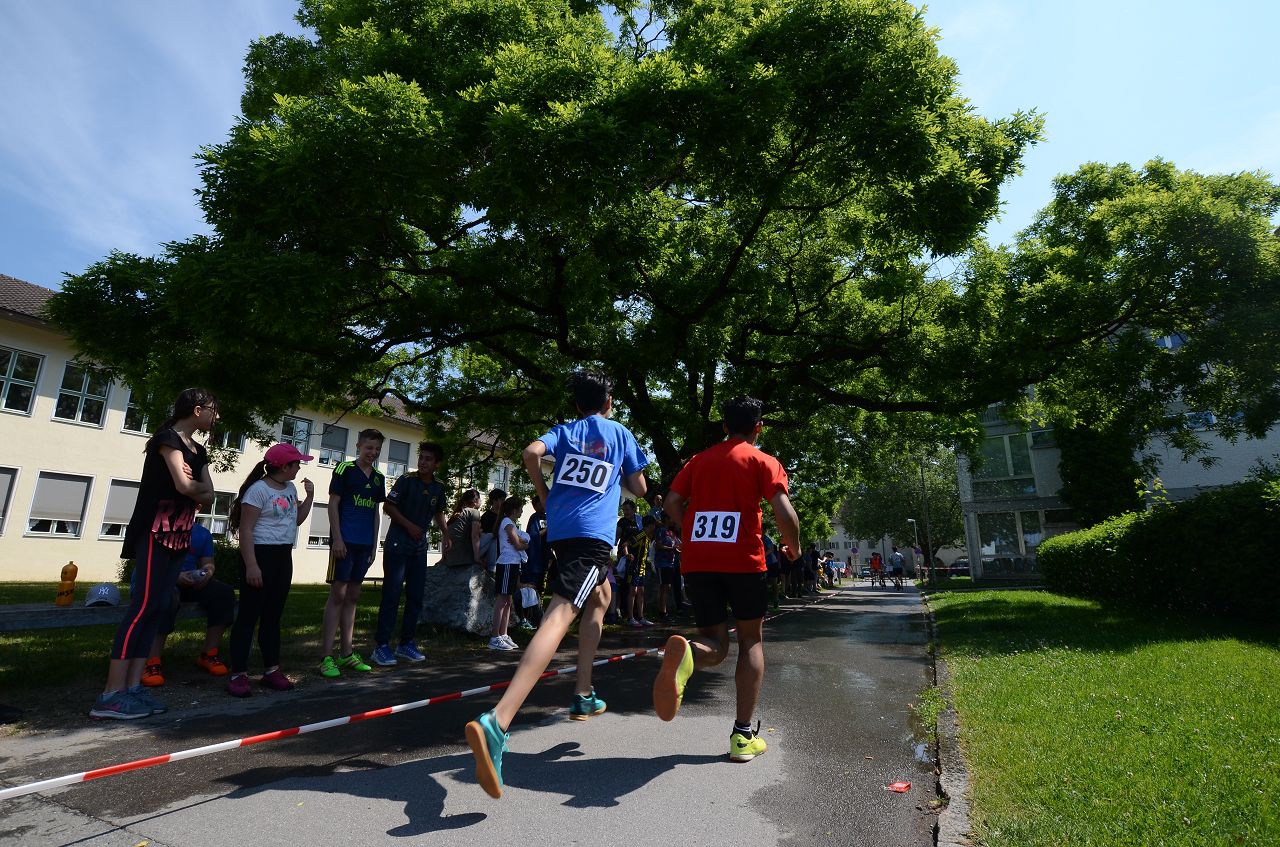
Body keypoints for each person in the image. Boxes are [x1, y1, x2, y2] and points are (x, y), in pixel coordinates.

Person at [465, 370, 648, 799]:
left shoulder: (565, 431)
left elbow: (531, 451)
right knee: (560, 614)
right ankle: (499, 721)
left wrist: (543, 490)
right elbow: (639, 488)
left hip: (561, 531)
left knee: (600, 596)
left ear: (577, 404)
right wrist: (624, 473)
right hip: (592, 536)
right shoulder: (620, 433)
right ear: (608, 402)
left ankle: (583, 691)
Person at [652, 396, 800, 762]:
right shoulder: (763, 461)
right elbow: (784, 512)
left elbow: (671, 502)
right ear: (758, 427)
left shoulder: (698, 460)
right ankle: (742, 737)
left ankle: (688, 654)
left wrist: (690, 532)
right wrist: (793, 547)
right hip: (743, 562)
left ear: (724, 426)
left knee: (714, 644)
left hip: (699, 561)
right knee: (750, 639)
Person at [90, 388, 218, 719]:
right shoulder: (167, 439)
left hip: (180, 536)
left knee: (158, 608)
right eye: (213, 410)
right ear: (197, 410)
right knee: (142, 609)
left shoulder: (198, 451)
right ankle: (111, 695)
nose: (216, 416)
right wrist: (195, 488)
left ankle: (133, 688)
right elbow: (185, 487)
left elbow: (210, 495)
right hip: (154, 534)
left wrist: (197, 488)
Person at [225, 443, 315, 696]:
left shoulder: (290, 488)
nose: (299, 468)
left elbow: (296, 520)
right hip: (259, 555)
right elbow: (245, 530)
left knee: (273, 617)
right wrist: (252, 565)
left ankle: (271, 670)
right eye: (296, 464)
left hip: (282, 556)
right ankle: (239, 674)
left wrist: (309, 498)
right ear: (284, 467)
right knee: (248, 617)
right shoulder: (258, 490)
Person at [372, 442, 451, 667]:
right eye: (421, 457)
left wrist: (446, 534)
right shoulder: (406, 480)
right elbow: (388, 506)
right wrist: (409, 526)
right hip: (398, 543)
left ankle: (406, 643)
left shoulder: (439, 486)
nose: (423, 462)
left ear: (437, 464)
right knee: (392, 594)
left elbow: (439, 512)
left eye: (428, 459)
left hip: (419, 547)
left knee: (416, 596)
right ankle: (381, 646)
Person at [319, 429, 385, 679]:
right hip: (344, 542)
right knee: (338, 594)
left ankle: (347, 653)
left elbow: (376, 513)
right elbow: (333, 504)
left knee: (353, 596)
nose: (373, 453)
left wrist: (374, 545)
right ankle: (326, 656)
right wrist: (337, 538)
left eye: (377, 449)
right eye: (369, 448)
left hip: (364, 544)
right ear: (358, 446)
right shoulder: (344, 469)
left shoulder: (379, 478)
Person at [138, 522, 235, 687]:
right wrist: (175, 577)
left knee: (223, 593)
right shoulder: (157, 528)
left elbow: (208, 563)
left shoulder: (202, 533)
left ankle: (208, 654)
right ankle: (151, 662)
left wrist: (205, 575)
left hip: (188, 581)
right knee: (166, 596)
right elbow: (149, 564)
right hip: (155, 581)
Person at [489, 495, 528, 651]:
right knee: (502, 600)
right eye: (520, 509)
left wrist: (522, 543)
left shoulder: (511, 523)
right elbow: (518, 545)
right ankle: (494, 637)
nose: (522, 511)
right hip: (506, 564)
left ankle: (503, 634)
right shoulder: (507, 523)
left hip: (513, 564)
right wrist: (525, 544)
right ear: (514, 510)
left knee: (508, 601)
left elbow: (519, 542)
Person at [518, 495, 550, 629]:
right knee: (531, 586)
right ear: (535, 505)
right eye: (542, 503)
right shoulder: (535, 518)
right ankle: (528, 616)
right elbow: (532, 536)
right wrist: (547, 530)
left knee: (541, 586)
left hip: (544, 556)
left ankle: (538, 614)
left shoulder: (547, 517)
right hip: (534, 558)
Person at [440, 488, 484, 567]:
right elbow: (475, 536)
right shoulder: (474, 512)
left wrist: (443, 558)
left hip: (450, 558)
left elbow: (445, 536)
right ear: (475, 501)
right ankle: (492, 567)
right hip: (463, 556)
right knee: (491, 537)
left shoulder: (456, 514)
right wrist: (477, 558)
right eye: (480, 499)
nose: (481, 501)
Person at [654, 516, 679, 621]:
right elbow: (658, 545)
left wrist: (676, 549)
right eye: (671, 518)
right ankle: (662, 613)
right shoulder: (661, 531)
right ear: (667, 519)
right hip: (662, 563)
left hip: (671, 563)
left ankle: (665, 611)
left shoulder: (671, 532)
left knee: (667, 587)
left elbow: (677, 544)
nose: (673, 520)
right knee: (663, 587)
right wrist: (671, 548)